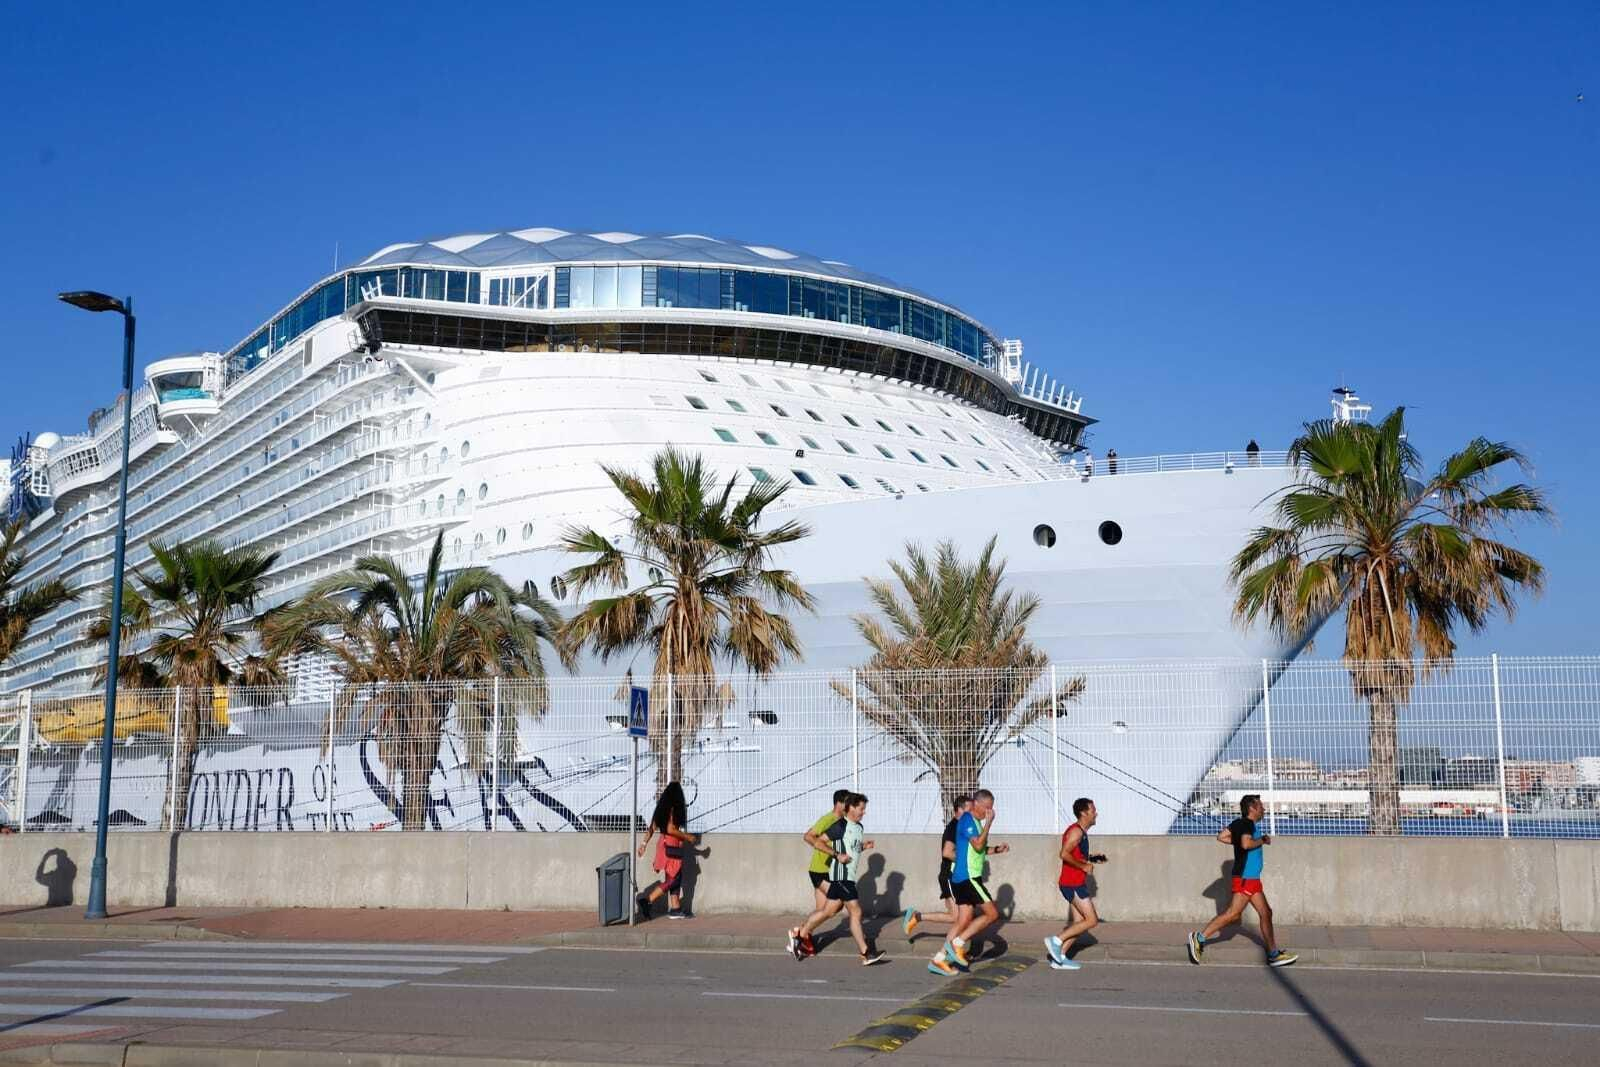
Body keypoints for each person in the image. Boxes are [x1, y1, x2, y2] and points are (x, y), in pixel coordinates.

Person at [1186, 794, 1297, 967]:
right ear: (1252, 808)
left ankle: (1273, 954)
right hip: (1246, 878)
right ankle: (1198, 938)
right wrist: (1262, 840)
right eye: (1261, 806)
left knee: (1266, 913)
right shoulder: (1247, 824)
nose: (1264, 809)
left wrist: (1239, 842)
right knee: (1233, 914)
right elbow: (1245, 844)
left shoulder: (1239, 823)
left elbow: (1222, 836)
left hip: (1251, 879)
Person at [791, 793, 886, 965]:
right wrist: (836, 855)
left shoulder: (859, 827)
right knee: (856, 912)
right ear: (851, 808)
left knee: (828, 911)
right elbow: (819, 842)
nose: (864, 812)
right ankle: (865, 953)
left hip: (845, 876)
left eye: (864, 809)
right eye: (861, 808)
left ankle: (801, 935)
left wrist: (863, 846)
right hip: (842, 876)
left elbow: (852, 847)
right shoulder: (840, 826)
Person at [929, 788, 1008, 976]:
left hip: (966, 877)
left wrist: (996, 849)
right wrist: (989, 823)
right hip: (968, 877)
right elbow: (978, 844)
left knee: (963, 920)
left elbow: (979, 850)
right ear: (976, 804)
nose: (989, 812)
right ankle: (957, 944)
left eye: (991, 809)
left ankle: (939, 959)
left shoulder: (976, 823)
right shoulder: (967, 820)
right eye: (987, 808)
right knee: (992, 914)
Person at [900, 794, 973, 940]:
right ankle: (952, 947)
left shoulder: (961, 827)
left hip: (954, 876)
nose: (972, 814)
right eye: (969, 810)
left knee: (955, 916)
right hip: (950, 876)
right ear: (959, 810)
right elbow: (947, 853)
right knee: (959, 916)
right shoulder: (954, 828)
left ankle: (917, 917)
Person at [1045, 797, 1106, 970]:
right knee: (1092, 920)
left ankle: (1059, 958)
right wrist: (1083, 866)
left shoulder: (1081, 833)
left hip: (1074, 882)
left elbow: (1075, 854)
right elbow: (1064, 854)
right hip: (1072, 884)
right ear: (1083, 813)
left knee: (1079, 922)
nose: (1096, 813)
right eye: (1093, 810)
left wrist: (1092, 859)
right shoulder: (1076, 832)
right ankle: (1056, 940)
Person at [791, 789, 851, 955]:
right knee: (836, 903)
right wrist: (832, 853)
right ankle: (801, 934)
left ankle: (801, 935)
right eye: (847, 803)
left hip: (828, 871)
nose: (850, 806)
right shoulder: (828, 819)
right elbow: (808, 836)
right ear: (839, 803)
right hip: (820, 871)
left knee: (822, 910)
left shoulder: (841, 822)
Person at [636, 781, 697, 920]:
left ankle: (676, 909)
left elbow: (652, 828)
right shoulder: (672, 809)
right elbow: (671, 829)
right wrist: (687, 836)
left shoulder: (662, 808)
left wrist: (644, 844)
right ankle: (647, 900)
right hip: (671, 846)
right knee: (674, 879)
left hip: (664, 845)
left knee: (674, 876)